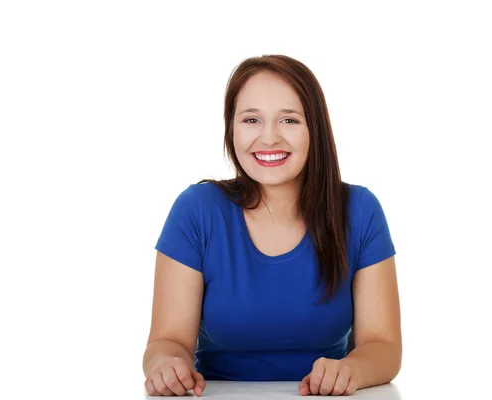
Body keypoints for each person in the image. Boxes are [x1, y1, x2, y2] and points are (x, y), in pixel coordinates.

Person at [142, 54, 402, 397]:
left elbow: (383, 346)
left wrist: (350, 371)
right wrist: (167, 364)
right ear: (230, 128)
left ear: (315, 129)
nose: (268, 139)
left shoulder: (360, 210)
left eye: (289, 121)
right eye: (251, 119)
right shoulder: (196, 211)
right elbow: (167, 340)